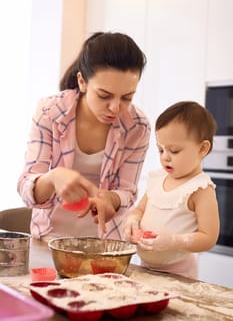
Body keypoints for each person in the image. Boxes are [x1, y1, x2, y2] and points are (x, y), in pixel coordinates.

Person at [17, 31, 151, 241]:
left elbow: (128, 192)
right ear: (82, 81)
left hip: (104, 245)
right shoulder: (49, 112)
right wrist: (53, 178)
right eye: (104, 95)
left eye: (127, 97)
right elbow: (26, 187)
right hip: (49, 240)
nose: (115, 107)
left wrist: (111, 198)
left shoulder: (137, 126)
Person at [124, 101, 220, 279]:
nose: (165, 157)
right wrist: (132, 219)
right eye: (161, 150)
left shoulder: (200, 189)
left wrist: (174, 242)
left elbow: (209, 238)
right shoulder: (157, 179)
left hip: (179, 273)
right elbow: (139, 209)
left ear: (202, 148)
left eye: (174, 151)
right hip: (145, 266)